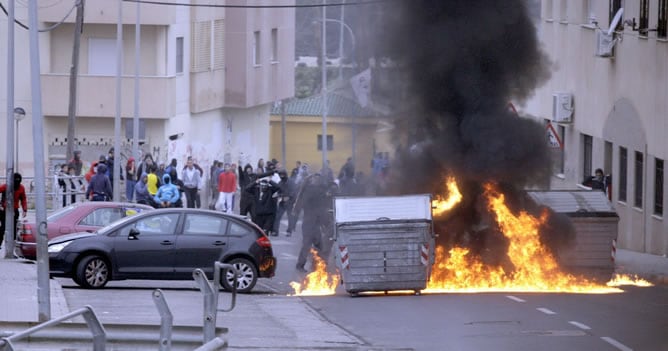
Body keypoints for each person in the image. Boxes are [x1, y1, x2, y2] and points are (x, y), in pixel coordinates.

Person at [292, 173, 336, 272]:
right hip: (309, 224)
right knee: (307, 245)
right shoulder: (311, 191)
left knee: (319, 245)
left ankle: (317, 265)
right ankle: (300, 265)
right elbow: (321, 199)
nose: (318, 180)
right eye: (316, 179)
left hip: (314, 224)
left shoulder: (309, 190)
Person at [0, 173, 28, 249]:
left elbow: (23, 199)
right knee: (3, 228)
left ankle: (12, 247)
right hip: (4, 210)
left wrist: (24, 210)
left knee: (14, 229)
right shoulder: (5, 186)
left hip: (14, 210)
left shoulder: (21, 188)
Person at [272, 170, 291, 236]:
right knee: (277, 217)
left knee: (290, 217)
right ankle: (275, 231)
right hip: (282, 202)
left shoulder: (290, 182)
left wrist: (289, 197)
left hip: (290, 203)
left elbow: (294, 192)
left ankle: (289, 231)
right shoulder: (280, 182)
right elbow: (278, 190)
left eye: (283, 175)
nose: (281, 176)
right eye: (280, 175)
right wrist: (279, 195)